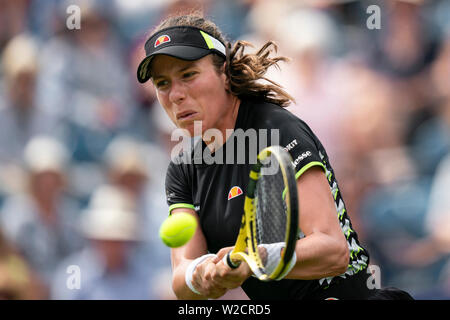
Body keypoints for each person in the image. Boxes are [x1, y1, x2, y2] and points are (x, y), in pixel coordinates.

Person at [136, 14, 409, 300]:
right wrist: (204, 272)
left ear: (224, 73)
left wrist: (254, 260)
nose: (175, 94)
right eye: (162, 83)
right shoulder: (183, 168)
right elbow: (182, 281)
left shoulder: (276, 129)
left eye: (188, 74)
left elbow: (333, 250)